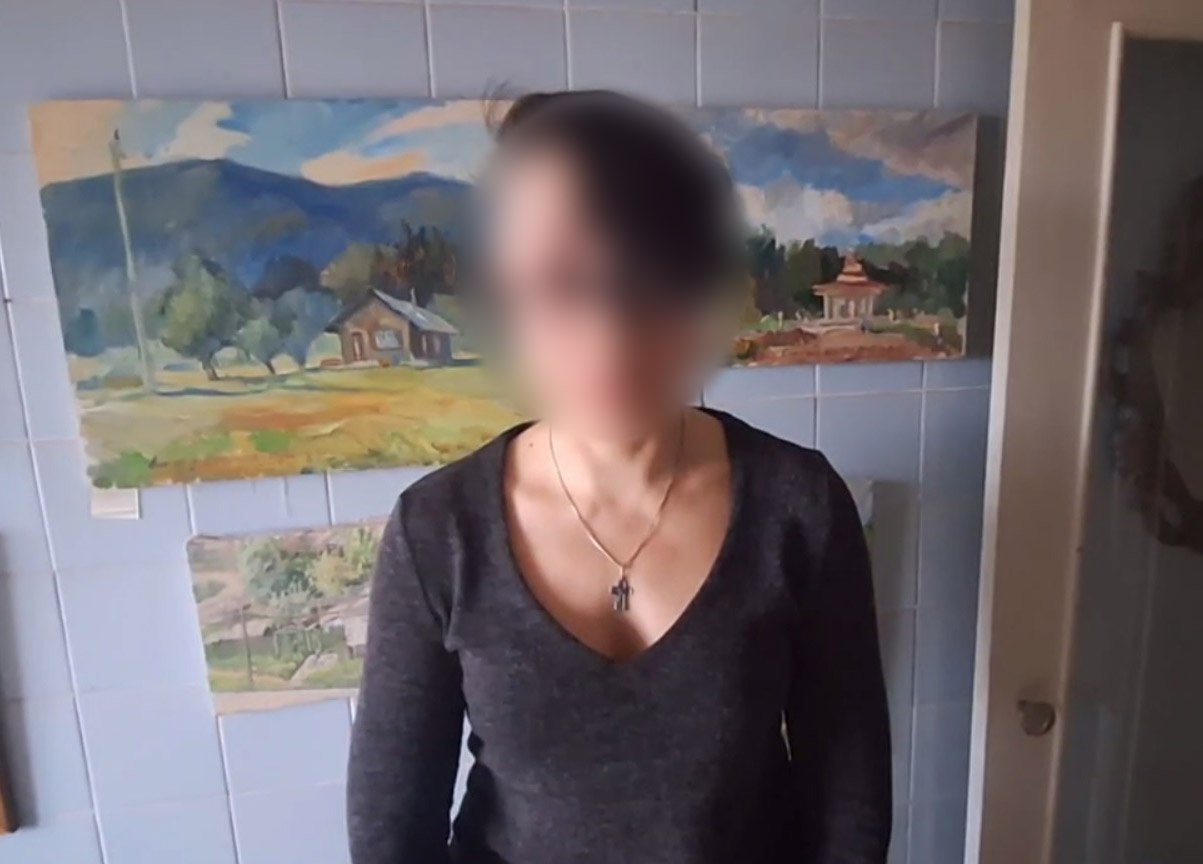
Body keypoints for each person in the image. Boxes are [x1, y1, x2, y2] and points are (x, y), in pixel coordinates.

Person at [347, 90, 892, 864]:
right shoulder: (437, 531)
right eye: (562, 283)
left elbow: (849, 798)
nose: (610, 336)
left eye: (646, 281)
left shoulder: (797, 506)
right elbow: (390, 833)